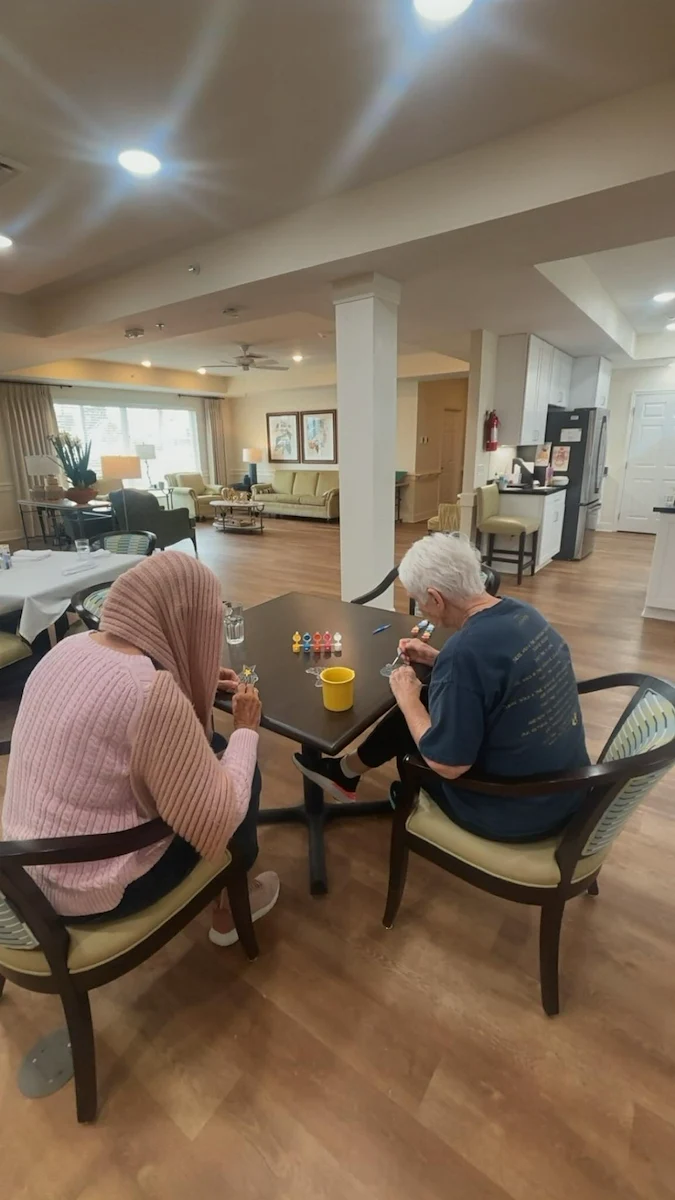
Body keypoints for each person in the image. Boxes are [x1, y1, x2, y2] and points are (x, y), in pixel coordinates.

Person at [3, 552, 279, 945]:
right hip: (91, 888)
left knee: (215, 746)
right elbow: (222, 810)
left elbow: (129, 704)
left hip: (24, 868)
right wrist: (246, 728)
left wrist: (193, 675)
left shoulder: (69, 646)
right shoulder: (151, 692)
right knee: (239, 763)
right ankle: (234, 904)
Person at [294, 533, 590, 842]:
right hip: (563, 787)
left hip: (513, 809)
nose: (422, 611)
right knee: (425, 699)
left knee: (415, 717)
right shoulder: (524, 614)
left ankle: (364, 780)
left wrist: (407, 699)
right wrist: (439, 660)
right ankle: (345, 772)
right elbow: (499, 675)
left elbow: (449, 765)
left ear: (436, 598)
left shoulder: (465, 651)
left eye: (420, 602)